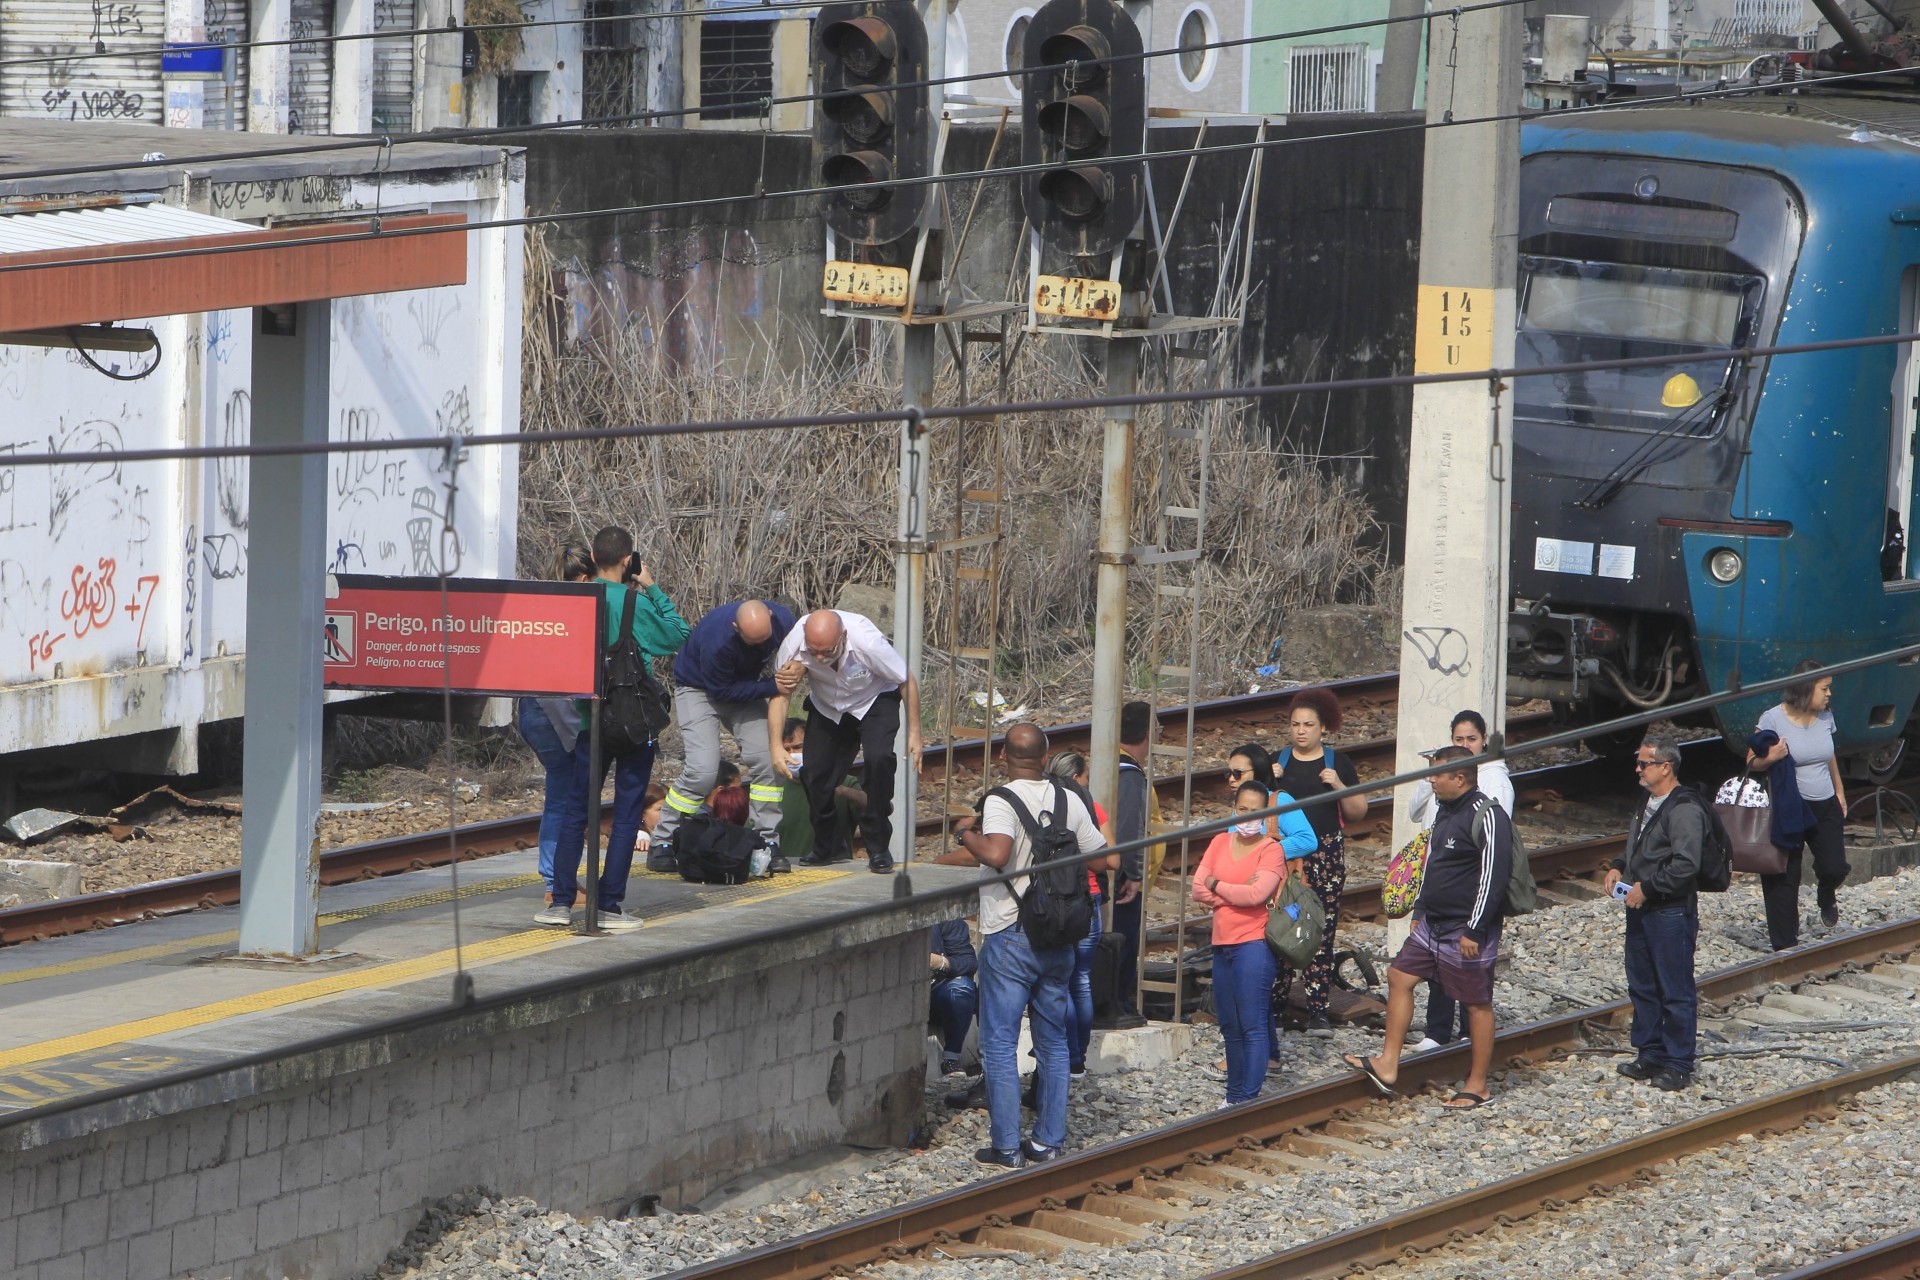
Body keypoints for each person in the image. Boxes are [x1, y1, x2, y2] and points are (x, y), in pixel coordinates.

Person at [954, 723, 1108, 1168]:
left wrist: (966, 833)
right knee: (1054, 1042)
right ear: (1045, 757)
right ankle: (1047, 1143)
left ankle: (1006, 1147)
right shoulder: (1068, 798)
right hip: (1059, 935)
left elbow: (998, 854)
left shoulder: (1000, 799)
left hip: (1010, 933)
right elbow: (1102, 858)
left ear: (1004, 756)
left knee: (1000, 1045)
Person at [1341, 746, 1512, 1109]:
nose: (1431, 780)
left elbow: (1493, 878)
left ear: (1460, 778)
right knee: (1399, 977)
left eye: (1437, 774)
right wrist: (1420, 906)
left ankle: (1478, 1085)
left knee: (1476, 1003)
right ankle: (1388, 1062)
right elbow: (1433, 865)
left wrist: (1475, 930)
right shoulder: (1445, 812)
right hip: (1431, 923)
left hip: (1465, 928)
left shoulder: (1489, 815)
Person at [539, 526, 690, 930]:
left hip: (591, 722)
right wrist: (652, 586)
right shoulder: (634, 603)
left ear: (592, 554)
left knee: (576, 811)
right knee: (626, 815)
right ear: (629, 561)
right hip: (633, 724)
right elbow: (679, 635)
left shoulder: (574, 601)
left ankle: (560, 902)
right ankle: (608, 905)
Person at [767, 609, 922, 874]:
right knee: (814, 774)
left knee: (879, 760)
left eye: (827, 652)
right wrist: (775, 747)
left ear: (844, 636)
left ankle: (878, 847)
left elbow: (906, 679)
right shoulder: (794, 644)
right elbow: (781, 695)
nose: (818, 657)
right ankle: (826, 845)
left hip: (874, 700)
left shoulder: (867, 641)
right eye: (813, 651)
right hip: (829, 705)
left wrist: (915, 733)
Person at [650, 599, 798, 875]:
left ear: (770, 615)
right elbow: (722, 692)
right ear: (735, 628)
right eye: (752, 642)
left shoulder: (785, 619)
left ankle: (767, 840)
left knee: (768, 760)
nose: (760, 647)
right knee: (703, 770)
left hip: (746, 686)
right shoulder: (717, 641)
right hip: (700, 690)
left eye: (764, 640)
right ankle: (663, 840)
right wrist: (771, 685)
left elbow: (798, 652)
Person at [1405, 709, 1515, 1052]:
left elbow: (1494, 854)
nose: (1465, 744)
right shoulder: (1444, 781)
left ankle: (1469, 1035)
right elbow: (1414, 811)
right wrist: (1430, 777)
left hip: (1468, 898)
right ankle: (1437, 1031)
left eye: (1472, 738)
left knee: (1469, 976)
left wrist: (1476, 925)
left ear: (1483, 741)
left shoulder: (1492, 783)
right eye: (1459, 739)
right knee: (1434, 968)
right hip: (1440, 892)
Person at [1606, 735, 1706, 1091]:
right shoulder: (1647, 800)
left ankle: (1679, 1062)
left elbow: (1686, 864)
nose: (1638, 768)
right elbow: (1639, 844)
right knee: (1643, 984)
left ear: (1666, 767)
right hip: (1642, 908)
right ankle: (1650, 1052)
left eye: (1644, 763)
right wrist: (1620, 865)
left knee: (1674, 988)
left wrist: (1647, 887)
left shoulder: (1684, 810)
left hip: (1670, 912)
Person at [1273, 688, 1367, 1037]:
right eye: (1295, 724)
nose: (1301, 731)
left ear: (1323, 728)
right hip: (1285, 857)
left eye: (1309, 725)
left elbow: (1358, 813)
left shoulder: (1336, 763)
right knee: (1280, 928)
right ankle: (1276, 1007)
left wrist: (1338, 786)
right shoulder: (1278, 761)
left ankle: (1318, 1012)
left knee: (1320, 932)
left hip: (1326, 856)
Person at [1192, 782, 1291, 1106]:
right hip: (1222, 945)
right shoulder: (1221, 841)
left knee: (1252, 1024)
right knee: (1230, 1026)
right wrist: (1231, 893)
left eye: (1256, 810)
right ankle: (1233, 1096)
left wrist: (1217, 885)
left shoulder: (1271, 849)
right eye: (1243, 809)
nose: (1248, 816)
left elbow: (1256, 895)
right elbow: (1196, 889)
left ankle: (1248, 1099)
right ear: (1234, 808)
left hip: (1254, 944)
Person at [1748, 660, 1851, 947]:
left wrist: (1840, 791)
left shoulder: (1825, 716)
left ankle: (1826, 893)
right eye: (1825, 688)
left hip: (1825, 802)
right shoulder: (1772, 719)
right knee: (1783, 877)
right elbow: (1751, 762)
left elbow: (1829, 756)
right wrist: (1772, 756)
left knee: (1835, 867)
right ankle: (1785, 945)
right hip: (1789, 807)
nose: (1829, 694)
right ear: (1806, 689)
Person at [517, 541, 596, 902]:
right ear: (583, 577)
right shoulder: (573, 610)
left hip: (531, 710)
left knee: (560, 795)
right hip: (555, 715)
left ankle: (556, 879)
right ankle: (556, 883)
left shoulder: (539, 603)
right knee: (565, 799)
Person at [1044, 750, 1109, 1078]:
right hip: (1090, 901)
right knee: (1080, 980)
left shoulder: (1045, 804)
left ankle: (1063, 1053)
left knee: (1059, 981)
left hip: (1056, 902)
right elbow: (1112, 859)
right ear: (1078, 777)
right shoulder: (1091, 808)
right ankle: (1077, 1057)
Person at [1110, 700, 1154, 1016]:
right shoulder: (1129, 774)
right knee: (1122, 942)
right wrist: (1134, 873)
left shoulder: (1109, 763)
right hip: (1121, 879)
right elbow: (1128, 829)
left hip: (1113, 871)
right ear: (1148, 733)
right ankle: (1117, 1004)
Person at [930, 918, 978, 1076]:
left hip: (935, 992)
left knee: (962, 988)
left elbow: (968, 962)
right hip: (899, 995)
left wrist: (941, 962)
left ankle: (951, 1059)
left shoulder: (941, 914)